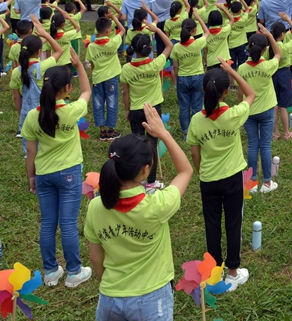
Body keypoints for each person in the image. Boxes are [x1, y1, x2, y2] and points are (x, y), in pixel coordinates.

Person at [85, 106, 193, 318]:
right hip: (151, 299)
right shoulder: (157, 205)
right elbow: (186, 171)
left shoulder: (95, 207)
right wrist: (163, 133)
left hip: (109, 298)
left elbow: (95, 258)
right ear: (145, 170)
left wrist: (111, 285)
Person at [22, 55, 93, 288]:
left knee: (48, 223)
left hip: (43, 174)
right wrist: (80, 65)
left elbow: (30, 153)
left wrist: (31, 177)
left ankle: (50, 272)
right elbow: (87, 92)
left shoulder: (33, 116)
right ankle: (74, 272)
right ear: (67, 88)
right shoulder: (71, 112)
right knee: (69, 223)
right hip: (69, 173)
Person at [188, 64, 253, 291]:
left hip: (208, 180)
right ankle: (233, 273)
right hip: (233, 178)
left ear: (204, 91)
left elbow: (195, 152)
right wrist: (232, 72)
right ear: (226, 92)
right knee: (234, 223)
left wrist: (201, 171)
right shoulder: (233, 115)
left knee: (212, 225)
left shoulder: (196, 120)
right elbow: (251, 94)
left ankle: (214, 274)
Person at [120, 23, 172, 186]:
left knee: (138, 146)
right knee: (152, 145)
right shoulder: (155, 64)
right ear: (149, 49)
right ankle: (151, 181)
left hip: (136, 111)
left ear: (133, 49)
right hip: (153, 110)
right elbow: (169, 45)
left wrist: (127, 110)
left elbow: (126, 93)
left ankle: (138, 180)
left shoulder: (126, 69)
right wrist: (157, 30)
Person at [237, 29, 282, 194]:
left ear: (248, 47)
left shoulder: (242, 69)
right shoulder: (268, 66)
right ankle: (267, 183)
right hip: (267, 111)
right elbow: (278, 53)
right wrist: (270, 36)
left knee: (252, 145)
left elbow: (240, 92)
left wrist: (241, 108)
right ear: (264, 49)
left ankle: (252, 182)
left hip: (248, 111)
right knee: (265, 145)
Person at [171, 18, 212, 140]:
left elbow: (175, 66)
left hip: (183, 79)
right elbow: (207, 32)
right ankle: (197, 131)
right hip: (197, 77)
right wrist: (199, 18)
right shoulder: (198, 43)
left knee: (184, 107)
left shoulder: (176, 47)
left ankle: (185, 133)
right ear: (194, 30)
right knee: (197, 106)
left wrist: (177, 79)